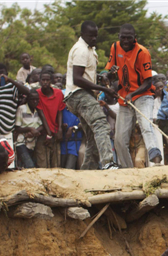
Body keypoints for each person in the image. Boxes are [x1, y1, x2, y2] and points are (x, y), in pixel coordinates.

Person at [105, 23, 161, 168]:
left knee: (145, 124)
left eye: (129, 38)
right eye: (123, 37)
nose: (125, 41)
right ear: (119, 37)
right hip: (125, 98)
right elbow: (110, 73)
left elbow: (148, 82)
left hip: (142, 95)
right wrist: (109, 75)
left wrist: (133, 94)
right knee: (119, 138)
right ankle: (127, 169)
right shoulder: (115, 47)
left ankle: (155, 158)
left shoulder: (142, 52)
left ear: (134, 38)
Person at [65, 21, 118, 170]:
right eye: (91, 36)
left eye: (96, 35)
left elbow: (87, 76)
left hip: (81, 95)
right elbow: (78, 79)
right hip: (79, 94)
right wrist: (104, 89)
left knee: (93, 137)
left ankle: (88, 171)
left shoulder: (89, 48)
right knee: (101, 124)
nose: (94, 39)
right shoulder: (81, 50)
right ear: (82, 34)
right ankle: (108, 162)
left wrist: (107, 77)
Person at [0, 63, 30, 161]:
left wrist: (11, 80)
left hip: (9, 126)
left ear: (6, 74)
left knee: (8, 156)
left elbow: (28, 92)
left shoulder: (13, 86)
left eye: (2, 74)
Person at [35, 71, 64, 168]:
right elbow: (42, 115)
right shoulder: (37, 94)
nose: (45, 82)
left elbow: (60, 111)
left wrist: (59, 129)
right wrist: (48, 134)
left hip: (55, 133)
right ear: (39, 81)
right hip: (44, 133)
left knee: (56, 164)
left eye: (47, 80)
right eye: (43, 80)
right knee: (43, 164)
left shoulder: (59, 93)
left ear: (51, 81)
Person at [15, 89, 43, 169]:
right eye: (32, 99)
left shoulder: (38, 110)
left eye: (37, 99)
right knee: (29, 165)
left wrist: (35, 131)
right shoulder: (21, 109)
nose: (35, 101)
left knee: (25, 166)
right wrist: (30, 129)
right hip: (21, 142)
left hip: (32, 143)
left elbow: (42, 125)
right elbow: (17, 128)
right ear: (28, 100)